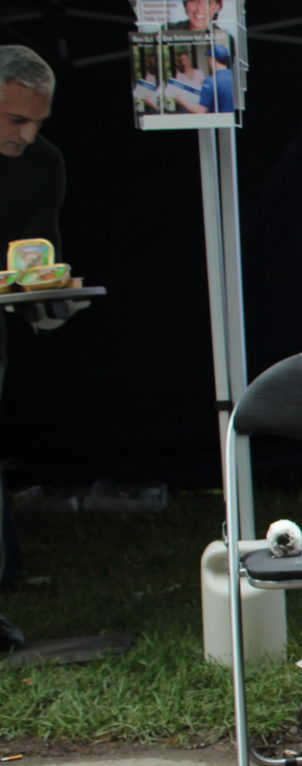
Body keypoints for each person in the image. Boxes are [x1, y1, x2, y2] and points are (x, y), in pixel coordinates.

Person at [0, 45, 63, 653]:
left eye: (37, 121)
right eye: (16, 119)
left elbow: (37, 250)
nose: (27, 133)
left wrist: (48, 294)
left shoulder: (42, 161)